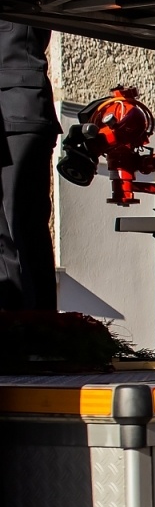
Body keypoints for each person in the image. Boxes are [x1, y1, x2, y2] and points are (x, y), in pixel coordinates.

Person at [0, 27, 60, 313]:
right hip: (19, 108)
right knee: (15, 230)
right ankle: (24, 322)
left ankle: (31, 328)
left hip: (17, 110)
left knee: (18, 227)